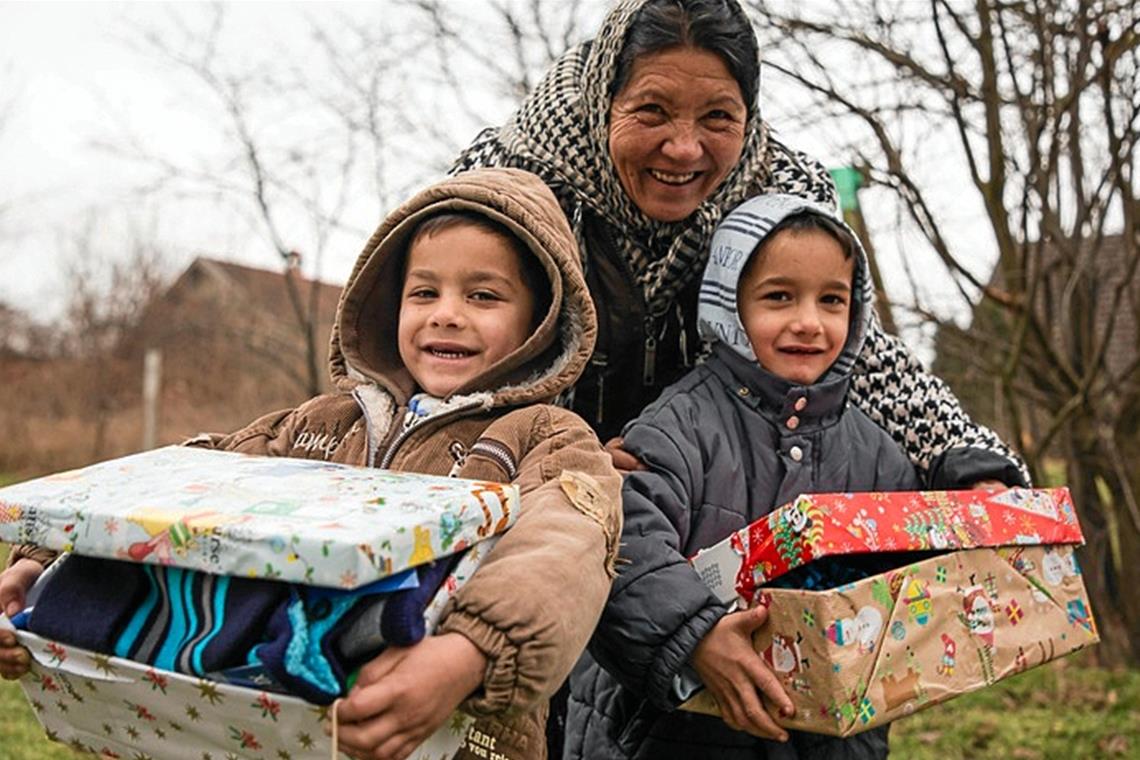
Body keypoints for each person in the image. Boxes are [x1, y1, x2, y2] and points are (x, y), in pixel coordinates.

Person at [0, 167, 623, 760]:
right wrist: (41, 561)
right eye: (424, 292)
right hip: (283, 725)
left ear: (540, 323)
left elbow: (562, 549)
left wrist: (466, 654)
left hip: (457, 733)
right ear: (390, 307)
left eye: (483, 295)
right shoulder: (318, 426)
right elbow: (183, 486)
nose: (446, 313)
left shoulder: (548, 438)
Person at [452, 0, 1028, 484]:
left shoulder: (778, 199)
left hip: (711, 503)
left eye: (718, 117)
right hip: (524, 496)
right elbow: (435, 352)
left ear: (749, 117)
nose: (684, 148)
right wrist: (565, 465)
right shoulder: (506, 185)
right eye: (652, 110)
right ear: (605, 99)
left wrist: (965, 460)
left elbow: (857, 356)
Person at [565, 193, 1012, 758]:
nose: (809, 323)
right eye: (779, 297)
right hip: (670, 736)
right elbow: (620, 538)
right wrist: (693, 638)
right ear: (730, 306)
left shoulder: (881, 455)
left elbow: (914, 583)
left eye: (832, 300)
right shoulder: (679, 424)